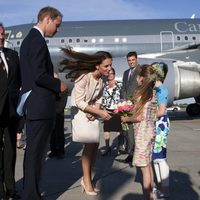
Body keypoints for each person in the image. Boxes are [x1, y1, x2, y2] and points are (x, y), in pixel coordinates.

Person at [19, 7, 67, 200]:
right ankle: (31, 195)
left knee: (34, 154)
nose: (58, 29)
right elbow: (39, 75)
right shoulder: (37, 41)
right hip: (40, 107)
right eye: (57, 24)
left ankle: (31, 193)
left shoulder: (31, 39)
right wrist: (59, 84)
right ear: (47, 19)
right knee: (36, 154)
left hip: (35, 106)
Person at [60, 47, 112, 195]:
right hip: (79, 112)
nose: (109, 68)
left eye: (110, 65)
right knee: (89, 147)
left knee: (95, 145)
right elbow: (80, 102)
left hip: (91, 113)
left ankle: (87, 178)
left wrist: (95, 108)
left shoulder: (101, 81)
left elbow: (99, 97)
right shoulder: (84, 77)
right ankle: (86, 181)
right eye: (106, 66)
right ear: (97, 66)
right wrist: (98, 112)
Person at [121, 65, 158, 200]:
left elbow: (138, 117)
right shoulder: (152, 93)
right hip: (150, 132)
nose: (136, 78)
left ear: (141, 78)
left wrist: (125, 118)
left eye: (138, 75)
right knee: (148, 166)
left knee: (144, 168)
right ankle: (151, 196)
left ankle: (148, 196)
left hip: (142, 134)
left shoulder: (140, 94)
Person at [0, 22, 21, 200]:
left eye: (2, 34)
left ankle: (11, 188)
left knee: (10, 152)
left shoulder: (13, 55)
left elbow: (19, 84)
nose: (1, 37)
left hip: (11, 112)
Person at [151, 62, 170, 198]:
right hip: (155, 124)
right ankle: (160, 187)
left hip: (160, 125)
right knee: (155, 159)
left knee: (160, 159)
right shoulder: (155, 89)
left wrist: (146, 116)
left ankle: (165, 189)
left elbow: (161, 111)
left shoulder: (161, 90)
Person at [120, 51, 140, 163]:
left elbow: (142, 87)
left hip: (136, 104)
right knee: (127, 130)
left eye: (133, 60)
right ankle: (131, 153)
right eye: (129, 60)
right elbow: (123, 87)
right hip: (126, 105)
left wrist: (134, 101)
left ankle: (136, 153)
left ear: (136, 59)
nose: (131, 62)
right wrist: (123, 101)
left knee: (136, 130)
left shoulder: (141, 71)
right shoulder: (125, 72)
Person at [101, 67, 123, 156]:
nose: (110, 75)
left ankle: (118, 148)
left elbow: (123, 97)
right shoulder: (104, 86)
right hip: (107, 110)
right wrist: (103, 109)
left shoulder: (119, 85)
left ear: (114, 74)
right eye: (108, 74)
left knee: (119, 131)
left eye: (112, 74)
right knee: (106, 131)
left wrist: (120, 108)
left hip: (117, 111)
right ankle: (107, 148)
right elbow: (102, 98)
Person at [48, 83, 68, 159]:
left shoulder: (63, 88)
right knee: (52, 133)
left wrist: (57, 111)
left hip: (58, 114)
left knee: (59, 133)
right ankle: (54, 150)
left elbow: (62, 104)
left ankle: (60, 151)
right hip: (52, 113)